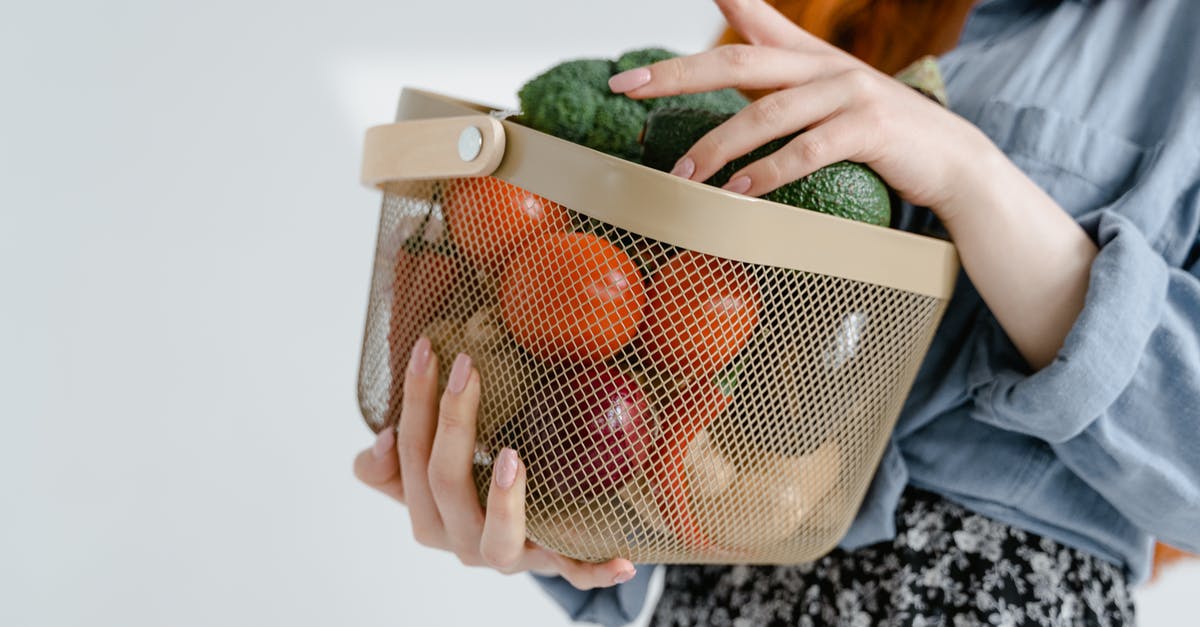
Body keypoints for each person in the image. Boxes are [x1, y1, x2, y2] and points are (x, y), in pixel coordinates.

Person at [353, 0, 1200, 624]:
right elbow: (667, 360)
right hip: (711, 599)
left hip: (983, 597)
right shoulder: (819, 15)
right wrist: (555, 514)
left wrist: (967, 171)